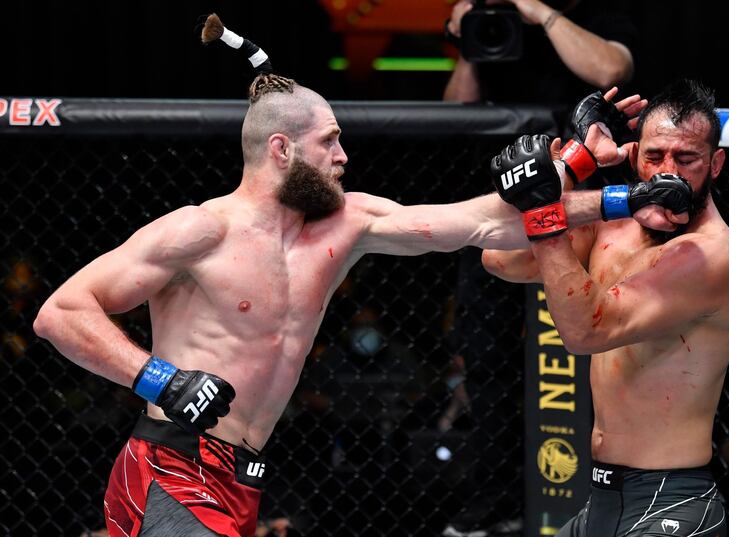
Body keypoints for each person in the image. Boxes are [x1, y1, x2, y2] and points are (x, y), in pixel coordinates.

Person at [32, 19, 682, 535]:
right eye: (331, 142)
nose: (345, 156)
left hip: (243, 474)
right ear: (282, 150)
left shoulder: (346, 223)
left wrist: (605, 183)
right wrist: (162, 379)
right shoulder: (200, 231)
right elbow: (62, 313)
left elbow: (487, 222)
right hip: (172, 462)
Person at [482, 78, 729, 536]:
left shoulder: (710, 257)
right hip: (602, 499)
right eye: (654, 156)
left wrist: (545, 208)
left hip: (671, 503)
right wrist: (574, 163)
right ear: (633, 153)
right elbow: (499, 256)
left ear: (716, 164)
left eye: (686, 160)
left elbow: (586, 331)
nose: (669, 172)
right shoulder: (616, 223)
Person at [441, 2, 635, 535]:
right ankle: (496, 499)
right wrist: (470, 43)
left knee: (589, 350)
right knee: (486, 360)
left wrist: (539, 13)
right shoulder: (487, 14)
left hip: (582, 205)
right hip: (501, 201)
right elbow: (459, 108)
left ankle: (599, 493)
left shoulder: (577, 10)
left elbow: (612, 70)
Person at [444, 0, 636, 106]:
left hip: (581, 152)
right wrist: (471, 34)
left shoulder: (605, 11)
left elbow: (611, 72)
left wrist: (540, 12)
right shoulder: (495, 15)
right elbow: (458, 112)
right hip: (503, 158)